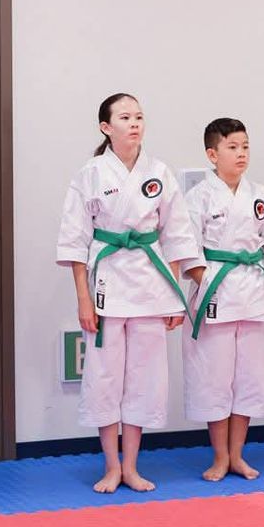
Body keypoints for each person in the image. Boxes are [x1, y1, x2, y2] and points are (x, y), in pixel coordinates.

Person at [57, 93, 198, 492]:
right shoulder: (90, 174)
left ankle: (132, 466)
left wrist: (174, 297)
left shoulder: (159, 172)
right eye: (124, 117)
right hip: (107, 283)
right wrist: (83, 299)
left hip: (151, 285)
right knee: (103, 376)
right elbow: (75, 241)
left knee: (144, 377)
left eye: (138, 116)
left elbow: (176, 236)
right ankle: (110, 466)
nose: (134, 123)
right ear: (106, 127)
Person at [183, 118, 264, 482]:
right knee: (214, 377)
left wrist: (262, 276)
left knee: (250, 377)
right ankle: (219, 457)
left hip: (254, 293)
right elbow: (187, 249)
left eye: (245, 146)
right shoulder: (198, 197)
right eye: (232, 147)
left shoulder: (260, 193)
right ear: (212, 154)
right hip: (215, 291)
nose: (241, 153)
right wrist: (207, 281)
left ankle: (237, 456)